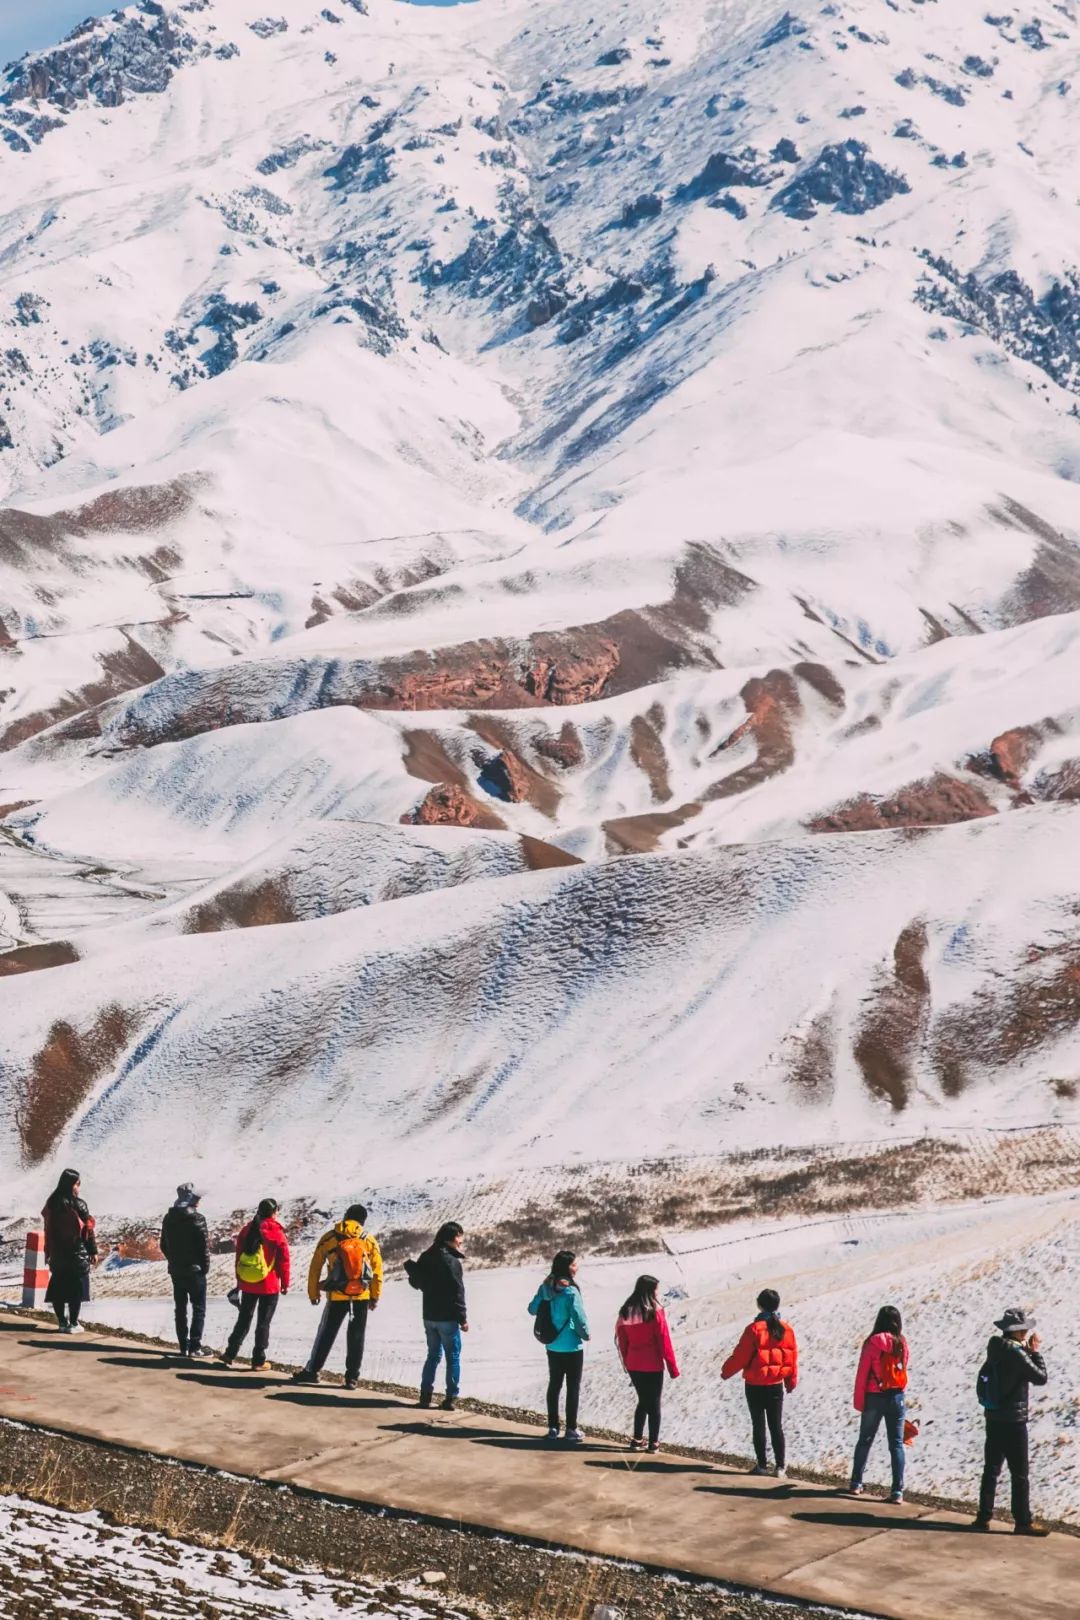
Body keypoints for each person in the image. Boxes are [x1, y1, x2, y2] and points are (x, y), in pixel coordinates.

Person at [972, 1307, 1050, 1536]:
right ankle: (1023, 1521)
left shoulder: (996, 1348)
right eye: (1023, 1329)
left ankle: (983, 1517)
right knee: (1020, 1474)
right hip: (1013, 1420)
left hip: (994, 1416)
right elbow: (1040, 1377)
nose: (1026, 1332)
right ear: (1016, 1332)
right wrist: (1035, 1352)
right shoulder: (1017, 1354)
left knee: (991, 1469)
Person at [292, 1204, 382, 1390]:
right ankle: (352, 1378)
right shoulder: (368, 1240)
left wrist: (313, 1292)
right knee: (357, 1336)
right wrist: (374, 1296)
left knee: (326, 1333)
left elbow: (315, 1266)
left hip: (337, 1295)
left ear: (345, 1216)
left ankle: (312, 1371)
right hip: (360, 1296)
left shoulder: (330, 1237)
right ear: (363, 1221)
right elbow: (377, 1271)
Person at [721, 1287, 798, 1477]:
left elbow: (740, 1356)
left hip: (754, 1385)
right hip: (775, 1385)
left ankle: (762, 1465)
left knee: (758, 1425)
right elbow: (791, 1358)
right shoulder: (786, 1329)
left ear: (759, 1304)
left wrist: (725, 1372)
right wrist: (790, 1381)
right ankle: (780, 1467)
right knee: (776, 1426)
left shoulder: (754, 1329)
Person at [404, 1221, 468, 1411]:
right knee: (453, 1356)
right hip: (447, 1317)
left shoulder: (426, 1256)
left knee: (432, 1355)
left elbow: (416, 1283)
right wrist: (463, 1318)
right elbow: (458, 1291)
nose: (461, 1241)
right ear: (453, 1237)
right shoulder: (451, 1261)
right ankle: (450, 1398)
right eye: (460, 1237)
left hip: (429, 1315)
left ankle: (425, 1395)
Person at [849, 1305, 909, 1504]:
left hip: (874, 1397)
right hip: (897, 1397)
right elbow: (903, 1369)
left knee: (865, 1440)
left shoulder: (872, 1343)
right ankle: (897, 1491)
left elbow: (862, 1374)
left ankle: (856, 1483)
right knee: (897, 1444)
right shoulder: (902, 1343)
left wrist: (860, 1402)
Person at [528, 1250, 590, 1444]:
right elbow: (579, 1318)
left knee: (554, 1385)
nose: (577, 1267)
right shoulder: (571, 1291)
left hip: (552, 1345)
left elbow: (532, 1309)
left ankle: (553, 1427)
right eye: (574, 1264)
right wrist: (586, 1335)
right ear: (567, 1267)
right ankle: (571, 1429)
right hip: (572, 1346)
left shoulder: (546, 1287)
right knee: (573, 1387)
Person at [221, 1198, 289, 1371]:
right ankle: (258, 1360)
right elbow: (284, 1260)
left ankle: (230, 1353)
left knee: (244, 1318)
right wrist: (285, 1283)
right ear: (274, 1213)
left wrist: (239, 1279)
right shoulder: (276, 1231)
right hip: (269, 1284)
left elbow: (239, 1256)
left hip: (249, 1282)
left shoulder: (248, 1229)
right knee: (263, 1322)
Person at [615, 1274, 679, 1452]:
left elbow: (622, 1341)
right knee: (654, 1403)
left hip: (634, 1363)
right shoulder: (655, 1311)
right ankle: (654, 1443)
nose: (658, 1293)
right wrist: (672, 1367)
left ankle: (637, 1439)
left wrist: (628, 1362)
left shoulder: (626, 1311)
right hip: (652, 1364)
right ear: (650, 1291)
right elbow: (664, 1341)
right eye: (656, 1289)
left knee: (643, 1401)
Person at [160, 1182, 211, 1359]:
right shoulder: (198, 1219)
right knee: (199, 1308)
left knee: (180, 1308)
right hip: (195, 1271)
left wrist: (174, 1260)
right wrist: (204, 1268)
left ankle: (183, 1346)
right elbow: (203, 1248)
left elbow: (163, 1245)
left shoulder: (168, 1218)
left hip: (176, 1270)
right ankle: (195, 1346)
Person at [42, 1168, 97, 1333]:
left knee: (58, 1286)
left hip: (58, 1252)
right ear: (72, 1185)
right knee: (75, 1289)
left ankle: (62, 1322)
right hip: (76, 1252)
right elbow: (88, 1231)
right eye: (77, 1184)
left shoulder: (52, 1203)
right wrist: (92, 1251)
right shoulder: (79, 1205)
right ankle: (73, 1323)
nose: (79, 1187)